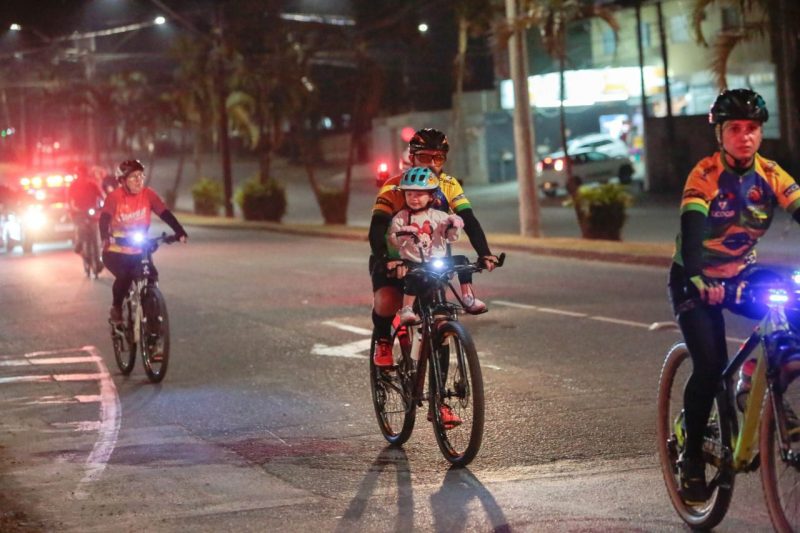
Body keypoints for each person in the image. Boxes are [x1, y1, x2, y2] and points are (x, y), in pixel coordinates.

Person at [668, 88, 800, 505]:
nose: (745, 137)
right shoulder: (705, 174)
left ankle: (752, 378)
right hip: (695, 278)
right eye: (735, 129)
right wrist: (697, 276)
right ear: (720, 134)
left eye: (752, 128)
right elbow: (692, 231)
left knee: (792, 308)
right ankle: (690, 457)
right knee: (709, 367)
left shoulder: (771, 175)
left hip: (742, 272)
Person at [368, 127, 499, 368]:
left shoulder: (449, 185)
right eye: (424, 157)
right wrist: (386, 258)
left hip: (431, 260)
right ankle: (384, 340)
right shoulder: (393, 187)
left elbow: (468, 220)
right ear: (412, 157)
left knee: (439, 313)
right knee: (387, 301)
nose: (431, 164)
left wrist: (485, 253)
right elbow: (377, 227)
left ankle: (436, 384)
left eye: (437, 158)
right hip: (395, 258)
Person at [99, 159, 187, 324]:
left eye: (140, 176)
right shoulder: (114, 197)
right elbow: (104, 218)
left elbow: (164, 213)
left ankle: (151, 318)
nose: (138, 180)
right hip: (115, 251)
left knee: (151, 275)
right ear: (123, 181)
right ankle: (116, 308)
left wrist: (179, 231)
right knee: (125, 276)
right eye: (133, 177)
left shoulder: (148, 194)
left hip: (139, 250)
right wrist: (105, 235)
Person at [388, 167, 463, 325]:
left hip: (436, 262)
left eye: (419, 194)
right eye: (409, 194)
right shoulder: (400, 218)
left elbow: (452, 237)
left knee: (456, 268)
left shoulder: (440, 216)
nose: (413, 198)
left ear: (431, 196)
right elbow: (394, 241)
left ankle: (468, 297)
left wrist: (454, 225)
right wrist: (404, 233)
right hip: (413, 263)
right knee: (414, 279)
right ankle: (407, 308)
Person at [67, 164, 104, 255]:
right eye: (79, 174)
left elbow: (101, 195)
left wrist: (104, 205)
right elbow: (69, 199)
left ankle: (98, 254)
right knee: (80, 228)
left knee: (97, 229)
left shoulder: (92, 184)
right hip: (78, 212)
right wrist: (72, 208)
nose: (81, 176)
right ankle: (79, 244)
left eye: (83, 173)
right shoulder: (73, 185)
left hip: (92, 211)